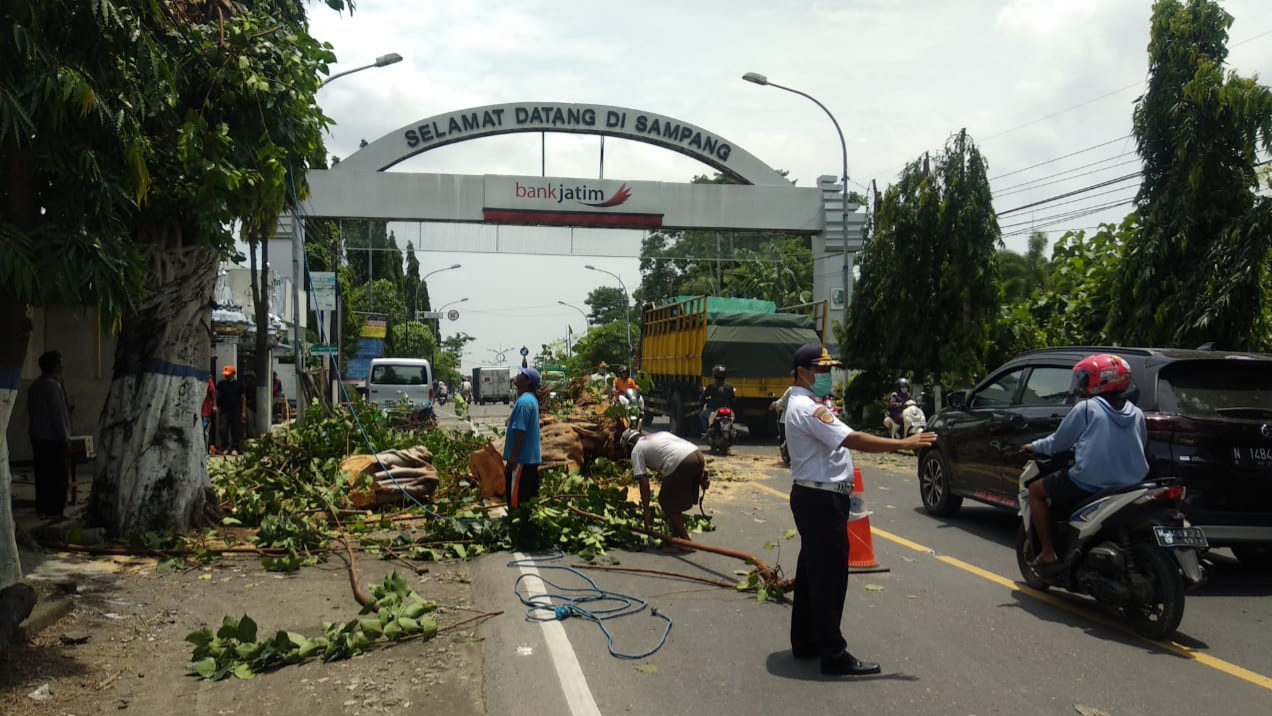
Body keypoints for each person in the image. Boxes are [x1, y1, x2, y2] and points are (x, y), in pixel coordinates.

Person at [784, 342, 935, 676]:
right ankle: (833, 655)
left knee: (812, 571)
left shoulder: (802, 403)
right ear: (802, 372)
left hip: (814, 497)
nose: (826, 375)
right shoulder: (809, 409)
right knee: (829, 578)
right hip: (821, 500)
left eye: (827, 369)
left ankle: (806, 640)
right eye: (820, 370)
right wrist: (903, 444)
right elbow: (852, 439)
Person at [1022, 353, 1148, 567]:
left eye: (1086, 378)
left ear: (1101, 380)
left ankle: (1047, 551)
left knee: (1035, 491)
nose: (1082, 384)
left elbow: (1057, 444)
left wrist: (1032, 446)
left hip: (1089, 482)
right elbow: (1141, 445)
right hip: (1131, 485)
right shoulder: (1136, 413)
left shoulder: (1087, 408)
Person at [622, 428, 708, 544]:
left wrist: (646, 511)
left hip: (680, 461)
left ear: (630, 444)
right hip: (697, 455)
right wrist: (701, 476)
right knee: (675, 500)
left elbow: (644, 483)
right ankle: (675, 537)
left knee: (666, 501)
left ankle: (685, 541)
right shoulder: (659, 434)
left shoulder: (636, 451)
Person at [27, 351, 72, 518]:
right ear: (55, 367)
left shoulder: (35, 386)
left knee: (42, 475)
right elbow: (58, 415)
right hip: (53, 439)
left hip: (37, 436)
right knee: (58, 476)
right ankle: (56, 510)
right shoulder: (53, 387)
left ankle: (43, 508)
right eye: (60, 363)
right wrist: (65, 438)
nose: (63, 366)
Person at [504, 366, 543, 512]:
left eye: (522, 374)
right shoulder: (529, 400)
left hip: (521, 460)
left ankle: (517, 529)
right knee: (527, 499)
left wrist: (514, 456)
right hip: (529, 460)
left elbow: (521, 431)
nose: (518, 376)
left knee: (516, 500)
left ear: (527, 382)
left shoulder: (524, 402)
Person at [214, 365, 246, 456]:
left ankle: (235, 447)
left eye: (228, 374)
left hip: (236, 410)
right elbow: (216, 395)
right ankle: (225, 447)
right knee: (223, 429)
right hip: (224, 410)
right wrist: (215, 405)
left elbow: (243, 398)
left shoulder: (239, 385)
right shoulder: (221, 384)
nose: (226, 376)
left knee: (236, 430)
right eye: (225, 375)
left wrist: (243, 411)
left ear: (233, 374)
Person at [699, 364, 735, 436]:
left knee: (702, 415)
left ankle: (707, 432)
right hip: (727, 409)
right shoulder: (730, 386)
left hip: (714, 409)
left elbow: (703, 397)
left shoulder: (711, 386)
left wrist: (702, 403)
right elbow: (733, 399)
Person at [202, 376, 217, 453]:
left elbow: (213, 392)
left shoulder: (207, 379)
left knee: (205, 432)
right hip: (199, 411)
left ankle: (205, 451)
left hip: (206, 411)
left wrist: (214, 405)